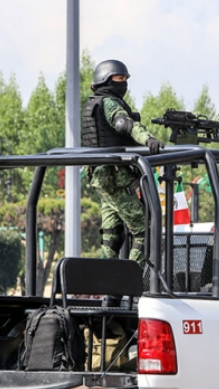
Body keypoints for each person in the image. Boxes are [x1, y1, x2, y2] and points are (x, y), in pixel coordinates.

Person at [81, 59, 164, 266]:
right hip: (115, 179)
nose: (123, 83)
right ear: (105, 80)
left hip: (103, 179)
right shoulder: (109, 104)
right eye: (119, 78)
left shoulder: (93, 105)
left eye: (125, 79)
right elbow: (124, 124)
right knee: (147, 230)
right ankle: (130, 278)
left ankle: (110, 294)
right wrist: (148, 139)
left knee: (112, 237)